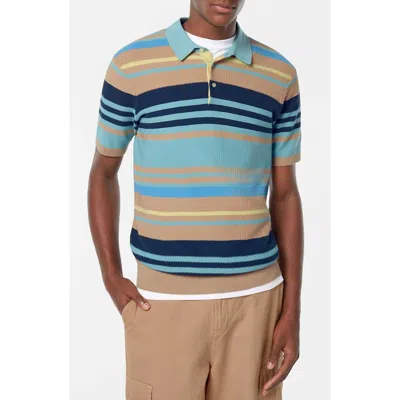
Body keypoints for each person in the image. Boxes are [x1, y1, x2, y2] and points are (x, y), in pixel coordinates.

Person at [88, 1, 304, 399]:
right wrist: (110, 276)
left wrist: (291, 312)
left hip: (256, 304)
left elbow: (286, 194)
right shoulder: (131, 66)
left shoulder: (279, 73)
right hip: (163, 303)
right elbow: (102, 173)